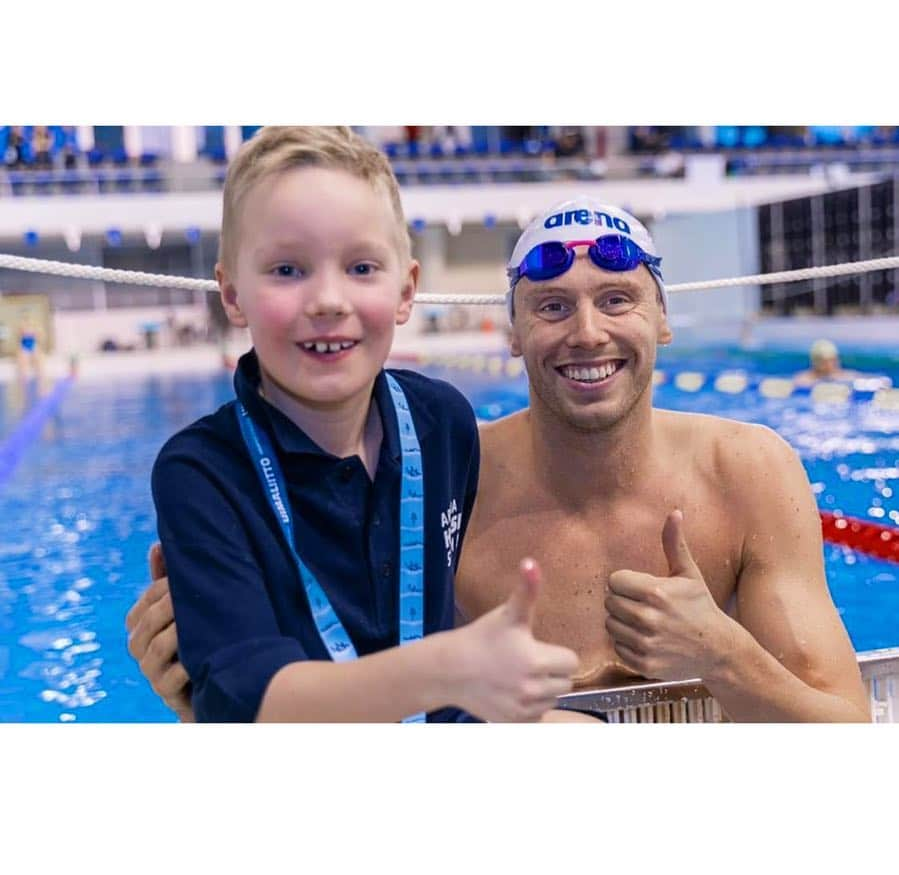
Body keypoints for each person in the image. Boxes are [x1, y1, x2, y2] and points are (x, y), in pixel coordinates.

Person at [129, 195, 870, 723]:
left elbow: (843, 739)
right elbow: (340, 688)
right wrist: (209, 703)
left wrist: (720, 654)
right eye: (549, 307)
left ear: (662, 319)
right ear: (510, 332)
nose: (586, 332)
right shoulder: (443, 483)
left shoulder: (746, 472)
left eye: (617, 299)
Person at [139, 126, 579, 724]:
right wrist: (448, 668)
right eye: (288, 269)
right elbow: (241, 702)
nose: (327, 299)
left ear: (406, 291)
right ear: (232, 295)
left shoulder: (442, 423)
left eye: (361, 267)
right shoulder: (203, 472)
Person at [793, 339, 861, 386]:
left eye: (833, 360)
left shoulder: (848, 376)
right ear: (816, 363)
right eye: (825, 362)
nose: (830, 365)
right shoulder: (804, 379)